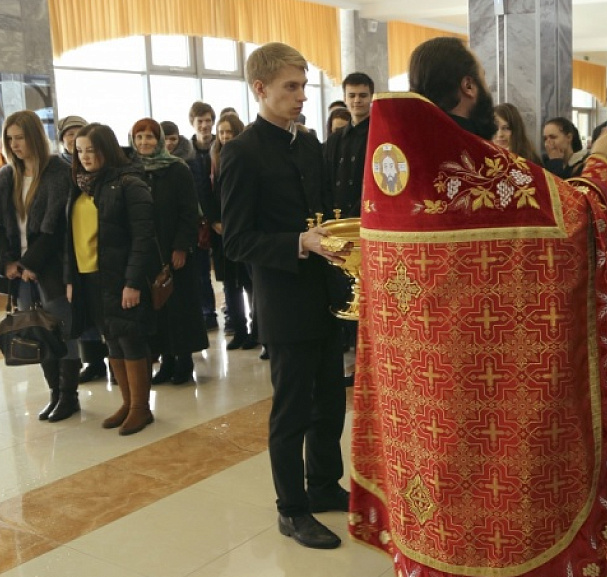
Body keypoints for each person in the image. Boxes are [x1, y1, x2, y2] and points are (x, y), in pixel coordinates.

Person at [349, 36, 607, 577]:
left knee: (436, 511)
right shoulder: (485, 167)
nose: (488, 88)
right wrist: (601, 164)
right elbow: (574, 215)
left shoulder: (392, 177)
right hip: (483, 396)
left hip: (423, 406)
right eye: (483, 78)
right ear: (468, 87)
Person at [220, 42, 350, 550]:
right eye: (290, 87)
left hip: (324, 292)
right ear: (261, 89)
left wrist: (340, 242)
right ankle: (291, 510)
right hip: (283, 300)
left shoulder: (310, 143)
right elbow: (236, 239)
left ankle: (322, 486)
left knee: (330, 402)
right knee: (293, 408)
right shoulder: (241, 151)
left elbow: (322, 212)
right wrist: (298, 243)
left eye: (303, 86)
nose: (300, 96)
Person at [0, 110, 81, 422]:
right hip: (20, 273)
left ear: (34, 137)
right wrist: (7, 263)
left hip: (52, 267)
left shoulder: (57, 171)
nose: (14, 145)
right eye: (9, 139)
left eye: (19, 137)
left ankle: (70, 396)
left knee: (63, 332)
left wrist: (28, 263)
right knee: (37, 333)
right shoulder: (7, 176)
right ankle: (54, 394)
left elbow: (56, 229)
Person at [67, 123, 157, 435]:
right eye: (80, 151)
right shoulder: (81, 186)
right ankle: (127, 401)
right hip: (91, 277)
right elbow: (72, 237)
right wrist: (70, 278)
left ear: (107, 148)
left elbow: (143, 237)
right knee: (112, 338)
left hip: (120, 278)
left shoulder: (128, 182)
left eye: (91, 149)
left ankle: (140, 408)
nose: (85, 156)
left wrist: (132, 282)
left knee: (130, 337)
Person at [129, 118, 208, 384]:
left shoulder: (177, 169)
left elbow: (189, 212)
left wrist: (181, 247)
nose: (144, 143)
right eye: (139, 137)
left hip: (174, 250)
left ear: (159, 140)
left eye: (149, 137)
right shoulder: (132, 171)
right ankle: (165, 360)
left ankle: (183, 360)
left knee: (178, 307)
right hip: (147, 252)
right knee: (156, 309)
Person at [57, 114, 109, 384]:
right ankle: (94, 362)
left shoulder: (111, 180)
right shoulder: (68, 177)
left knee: (114, 328)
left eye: (80, 136)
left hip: (107, 266)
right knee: (86, 320)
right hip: (80, 266)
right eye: (70, 135)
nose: (83, 153)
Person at [209, 114, 257, 351]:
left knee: (250, 284)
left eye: (229, 131)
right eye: (221, 132)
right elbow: (210, 195)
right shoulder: (214, 158)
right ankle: (238, 329)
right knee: (230, 285)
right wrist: (214, 221)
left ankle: (256, 331)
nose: (225, 136)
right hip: (221, 233)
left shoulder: (245, 155)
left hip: (244, 232)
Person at [186, 101, 219, 330]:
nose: (205, 125)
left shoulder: (223, 145)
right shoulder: (186, 153)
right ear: (193, 123)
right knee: (200, 272)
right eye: (200, 121)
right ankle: (207, 313)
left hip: (220, 218)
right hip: (197, 221)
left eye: (208, 120)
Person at [324, 72, 374, 219]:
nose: (357, 100)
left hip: (367, 216)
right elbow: (325, 181)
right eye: (352, 95)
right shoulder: (334, 140)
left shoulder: (379, 137)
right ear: (345, 98)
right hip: (334, 218)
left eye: (363, 95)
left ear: (371, 97)